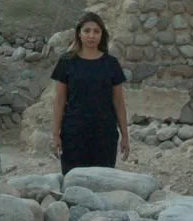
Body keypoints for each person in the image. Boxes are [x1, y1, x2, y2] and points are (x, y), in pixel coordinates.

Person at [48, 12, 131, 174]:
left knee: (102, 182)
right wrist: (55, 134)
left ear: (102, 35)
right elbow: (59, 101)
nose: (91, 36)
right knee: (74, 182)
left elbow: (119, 102)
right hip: (74, 133)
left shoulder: (111, 64)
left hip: (104, 133)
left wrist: (125, 136)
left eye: (96, 31)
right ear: (79, 33)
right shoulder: (66, 62)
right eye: (87, 31)